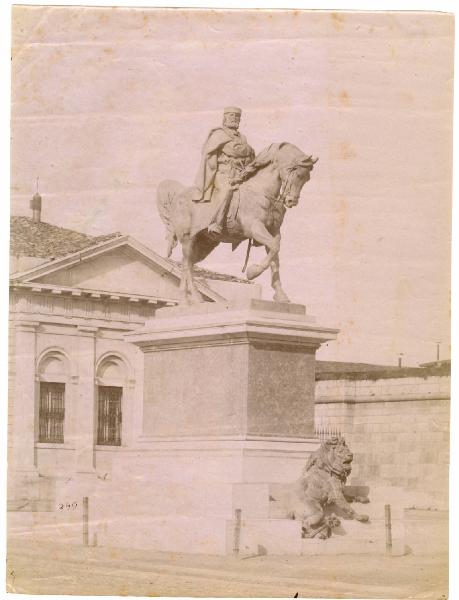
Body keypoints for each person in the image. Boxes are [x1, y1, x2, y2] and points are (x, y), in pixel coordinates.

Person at [191, 107, 255, 234]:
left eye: (237, 116)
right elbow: (231, 150)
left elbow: (250, 154)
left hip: (241, 174)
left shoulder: (243, 137)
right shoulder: (219, 134)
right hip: (223, 174)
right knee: (227, 190)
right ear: (225, 117)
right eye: (231, 115)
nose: (234, 118)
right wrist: (244, 151)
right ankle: (216, 223)